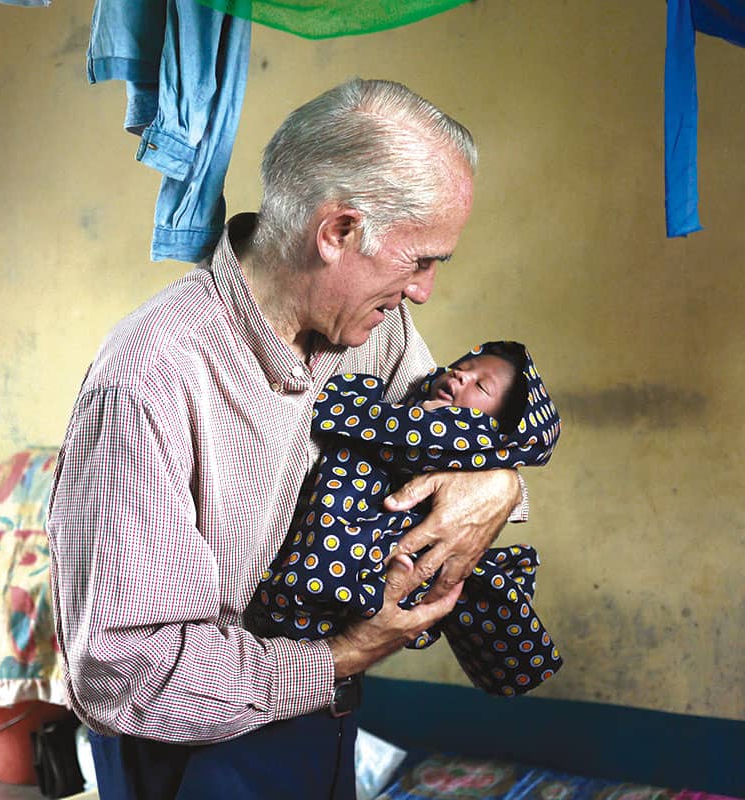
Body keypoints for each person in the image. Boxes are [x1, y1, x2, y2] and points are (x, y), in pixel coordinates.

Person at [47, 78, 528, 799]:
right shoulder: (149, 380)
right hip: (185, 747)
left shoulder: (377, 330)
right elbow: (126, 670)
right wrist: (346, 652)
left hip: (319, 714)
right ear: (335, 232)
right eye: (419, 260)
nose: (425, 290)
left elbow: (455, 448)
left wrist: (501, 483)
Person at [248, 341, 562, 697]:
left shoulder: (459, 433)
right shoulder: (419, 402)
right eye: (464, 365)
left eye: (481, 385)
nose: (462, 374)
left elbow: (380, 429)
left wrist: (346, 401)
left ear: (501, 430)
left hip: (351, 563)